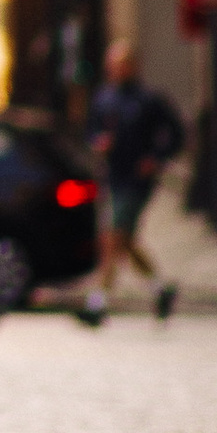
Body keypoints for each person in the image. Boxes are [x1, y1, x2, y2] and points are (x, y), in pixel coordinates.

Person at [82, 37, 185, 323]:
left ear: (134, 66)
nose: (117, 69)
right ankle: (160, 288)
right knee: (125, 240)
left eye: (122, 64)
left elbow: (177, 133)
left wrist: (156, 158)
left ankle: (97, 303)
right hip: (114, 175)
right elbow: (91, 130)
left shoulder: (149, 99)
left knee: (112, 236)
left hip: (138, 178)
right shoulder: (104, 98)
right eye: (113, 64)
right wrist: (98, 143)